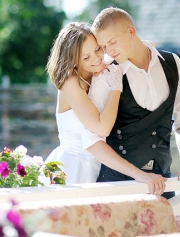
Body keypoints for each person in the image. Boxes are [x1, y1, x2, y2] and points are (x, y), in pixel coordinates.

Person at [82, 7, 180, 199]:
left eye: (112, 42)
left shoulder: (173, 63)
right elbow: (91, 141)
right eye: (103, 47)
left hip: (163, 184)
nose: (108, 52)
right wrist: (139, 175)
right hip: (117, 187)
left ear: (131, 31)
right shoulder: (106, 74)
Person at [44, 22, 124, 184]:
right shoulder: (70, 82)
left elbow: (146, 45)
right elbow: (102, 128)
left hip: (99, 164)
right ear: (73, 60)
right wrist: (116, 86)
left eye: (97, 49)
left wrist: (108, 59)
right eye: (86, 57)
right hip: (71, 167)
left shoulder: (99, 69)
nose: (96, 58)